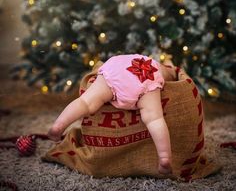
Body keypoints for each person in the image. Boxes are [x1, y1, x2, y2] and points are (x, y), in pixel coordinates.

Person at [48, 54, 177, 175]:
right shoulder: (160, 69)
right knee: (154, 119)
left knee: (85, 103)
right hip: (147, 79)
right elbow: (170, 75)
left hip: (114, 70)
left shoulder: (138, 58)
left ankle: (58, 125)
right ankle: (165, 157)